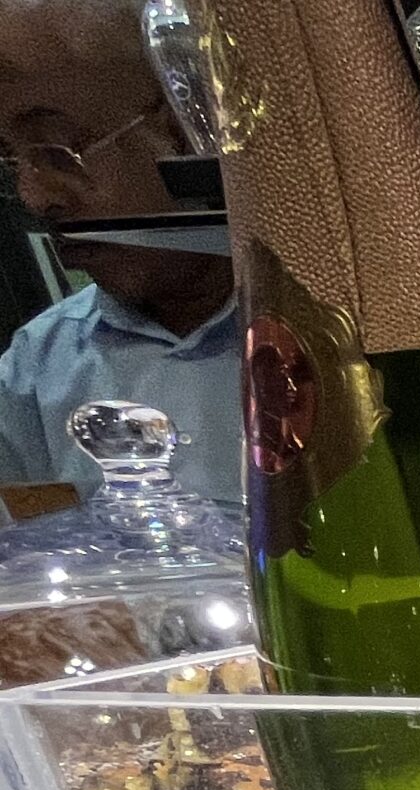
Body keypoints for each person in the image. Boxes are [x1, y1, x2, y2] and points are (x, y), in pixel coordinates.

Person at [0, 0, 242, 511]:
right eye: (11, 160)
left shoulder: (350, 330)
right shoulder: (33, 371)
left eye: (55, 152)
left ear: (183, 129)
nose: (34, 198)